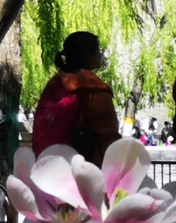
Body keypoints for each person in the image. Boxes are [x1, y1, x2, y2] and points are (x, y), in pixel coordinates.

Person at [32, 31, 118, 161]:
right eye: (98, 50)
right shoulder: (95, 88)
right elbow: (108, 134)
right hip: (84, 166)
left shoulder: (56, 83)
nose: (101, 54)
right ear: (88, 56)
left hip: (48, 163)